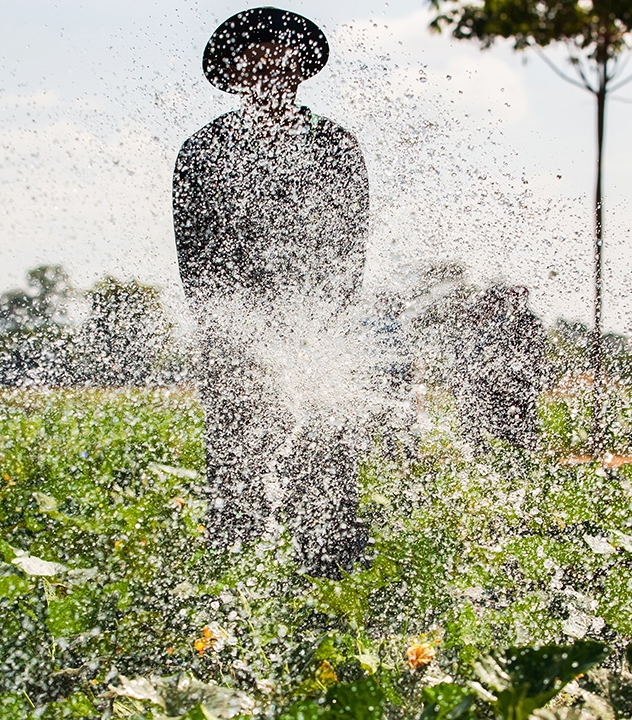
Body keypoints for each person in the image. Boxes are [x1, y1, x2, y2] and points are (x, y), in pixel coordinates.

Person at [173, 7, 370, 577]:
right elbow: (197, 260)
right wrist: (231, 335)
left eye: (277, 57)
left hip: (317, 336)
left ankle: (331, 581)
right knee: (238, 471)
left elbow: (349, 254)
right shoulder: (203, 150)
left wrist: (320, 325)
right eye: (251, 62)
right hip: (238, 342)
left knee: (325, 459)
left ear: (299, 68)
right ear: (233, 77)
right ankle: (235, 586)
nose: (265, 71)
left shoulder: (335, 145)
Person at [452, 284, 547, 452]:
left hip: (522, 378)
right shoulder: (502, 323)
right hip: (499, 379)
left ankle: (527, 446)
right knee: (491, 414)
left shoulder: (530, 322)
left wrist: (530, 372)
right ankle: (484, 447)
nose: (516, 301)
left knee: (523, 413)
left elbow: (537, 352)